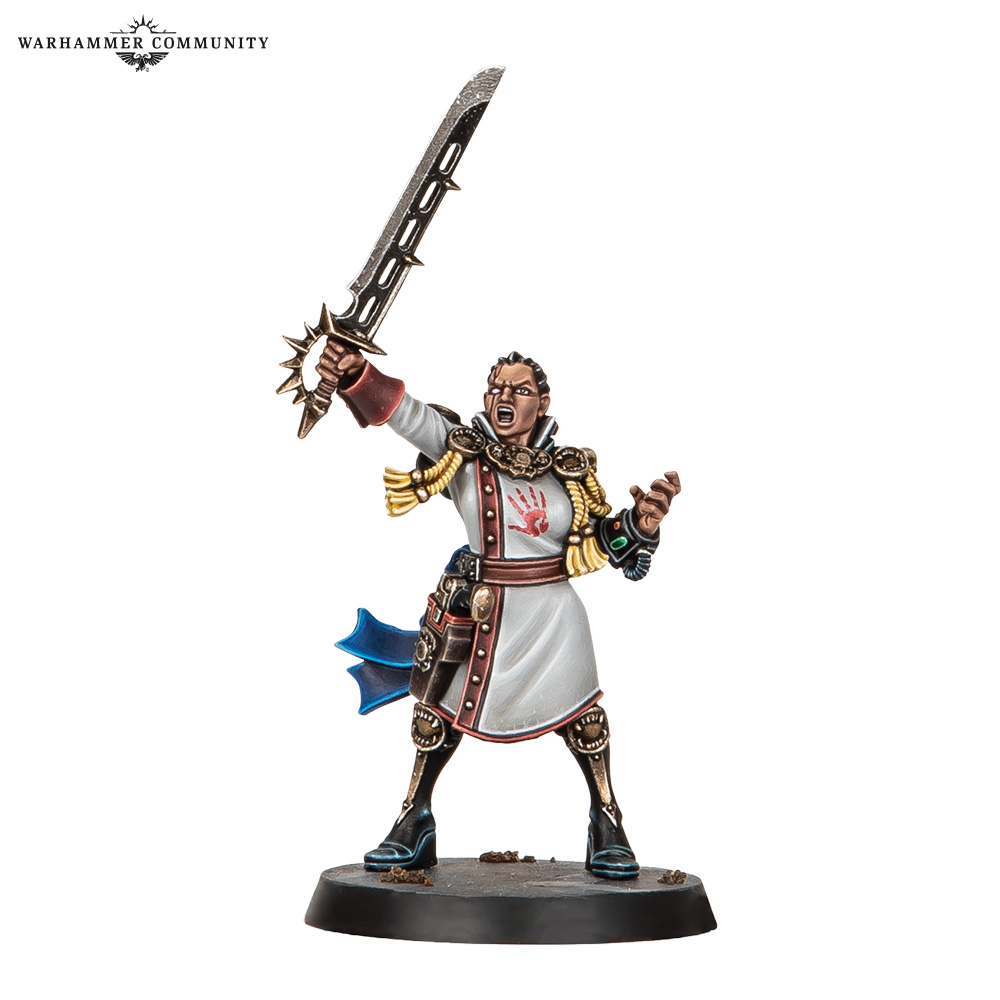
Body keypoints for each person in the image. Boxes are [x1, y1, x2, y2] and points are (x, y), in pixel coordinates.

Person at [317, 341, 680, 879]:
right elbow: (410, 415)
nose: (504, 396)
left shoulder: (570, 470)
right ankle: (414, 819)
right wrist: (358, 374)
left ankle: (607, 822)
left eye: (520, 389)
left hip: (555, 619)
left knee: (586, 723)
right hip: (483, 613)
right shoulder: (464, 454)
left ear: (543, 402)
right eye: (496, 387)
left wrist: (640, 524)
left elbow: (599, 543)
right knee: (435, 717)